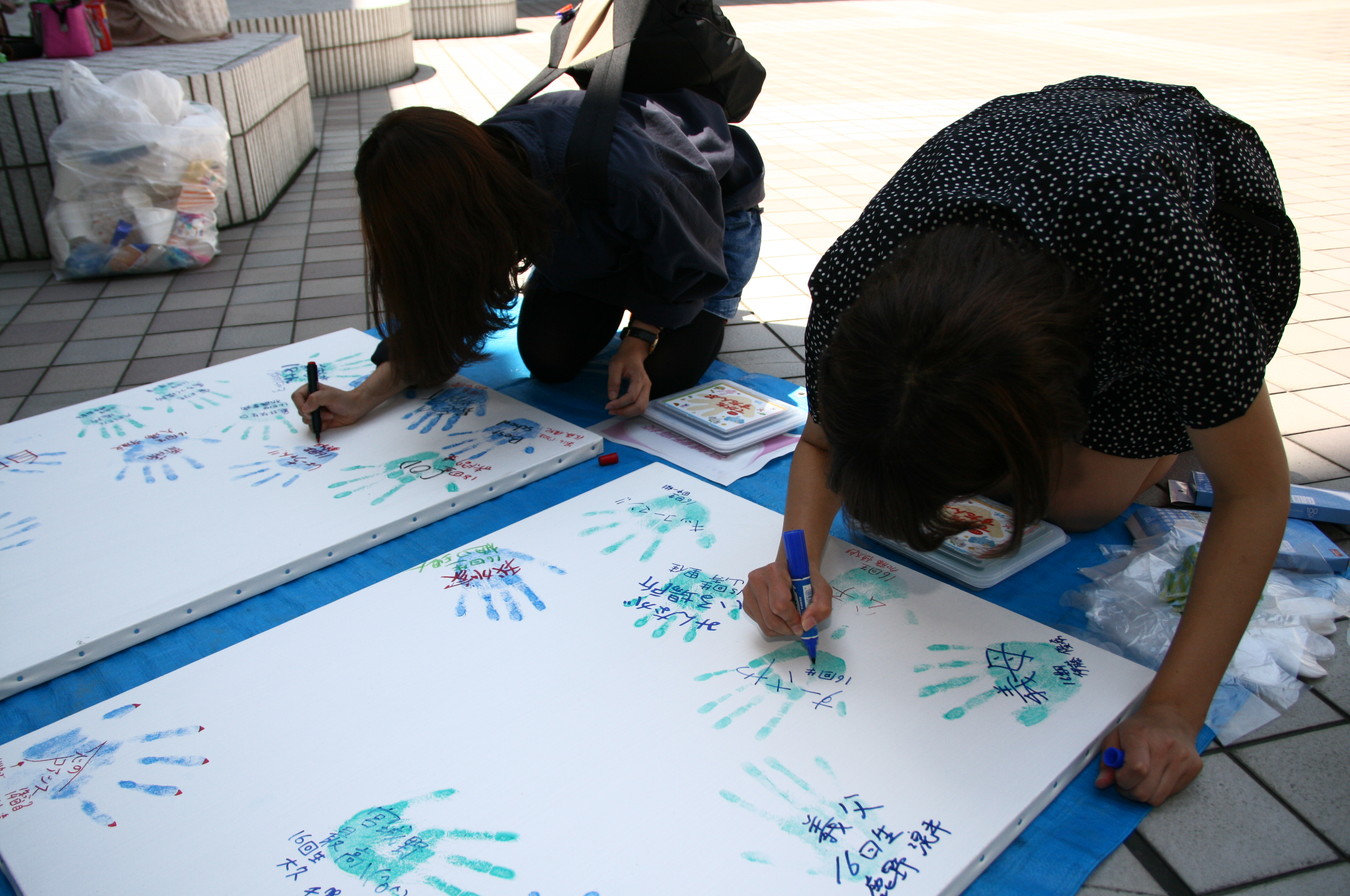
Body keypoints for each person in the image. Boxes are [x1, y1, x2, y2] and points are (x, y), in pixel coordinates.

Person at [742, 76, 1298, 807]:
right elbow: (822, 445)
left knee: (1085, 503)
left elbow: (1255, 491)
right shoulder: (853, 286)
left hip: (1168, 193)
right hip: (1021, 184)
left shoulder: (1162, 265)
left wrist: (1173, 710)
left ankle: (1176, 426)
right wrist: (796, 558)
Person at [292, 88, 764, 429]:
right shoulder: (482, 186)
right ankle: (616, 295)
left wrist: (638, 340)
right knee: (549, 359)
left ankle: (662, 321)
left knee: (662, 379)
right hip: (594, 240)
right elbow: (444, 303)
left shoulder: (623, 169)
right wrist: (360, 398)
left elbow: (687, 257)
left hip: (707, 226)